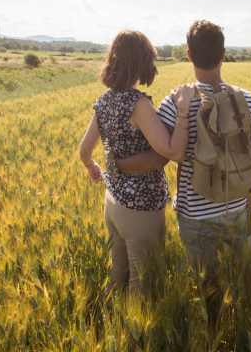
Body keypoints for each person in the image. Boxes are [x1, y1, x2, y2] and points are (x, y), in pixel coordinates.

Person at [115, 20, 251, 320]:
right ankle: (248, 321)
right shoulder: (245, 97)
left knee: (207, 283)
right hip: (237, 204)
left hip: (195, 213)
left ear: (188, 55)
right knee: (246, 275)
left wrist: (118, 164)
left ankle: (214, 327)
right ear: (223, 54)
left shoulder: (175, 102)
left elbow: (159, 157)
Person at [78, 30, 195, 297]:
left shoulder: (104, 101)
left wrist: (91, 167)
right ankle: (134, 339)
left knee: (117, 271)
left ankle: (109, 325)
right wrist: (184, 109)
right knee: (142, 284)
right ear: (141, 63)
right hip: (140, 208)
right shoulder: (138, 104)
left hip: (113, 202)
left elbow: (85, 151)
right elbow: (173, 152)